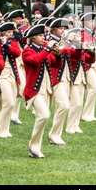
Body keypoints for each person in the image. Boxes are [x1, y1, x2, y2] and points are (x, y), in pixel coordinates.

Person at [22, 24, 59, 158]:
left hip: (47, 88)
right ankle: (33, 145)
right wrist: (48, 48)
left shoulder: (45, 50)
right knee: (44, 115)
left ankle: (35, 148)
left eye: (43, 35)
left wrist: (58, 53)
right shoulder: (27, 51)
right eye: (40, 36)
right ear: (33, 38)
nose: (44, 38)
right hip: (34, 90)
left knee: (42, 117)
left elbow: (55, 64)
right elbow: (36, 60)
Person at [46, 18, 74, 145]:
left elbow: (74, 56)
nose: (63, 31)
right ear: (53, 30)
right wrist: (68, 42)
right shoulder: (49, 41)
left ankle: (56, 134)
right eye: (61, 29)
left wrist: (78, 46)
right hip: (55, 77)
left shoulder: (62, 41)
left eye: (64, 29)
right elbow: (59, 53)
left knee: (62, 106)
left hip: (65, 76)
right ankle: (54, 134)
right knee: (64, 105)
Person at [66, 28, 96, 134]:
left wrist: (91, 52)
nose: (78, 39)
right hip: (74, 78)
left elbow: (91, 60)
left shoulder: (79, 49)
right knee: (76, 104)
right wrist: (80, 47)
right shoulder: (70, 48)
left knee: (80, 104)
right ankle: (69, 126)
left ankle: (76, 124)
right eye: (75, 37)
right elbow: (75, 56)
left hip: (82, 77)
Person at [0, 22, 22, 138]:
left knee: (13, 101)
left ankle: (6, 129)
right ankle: (0, 130)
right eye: (8, 32)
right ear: (2, 33)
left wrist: (7, 45)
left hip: (13, 74)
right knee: (8, 102)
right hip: (2, 74)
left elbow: (17, 53)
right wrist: (3, 44)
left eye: (11, 32)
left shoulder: (13, 43)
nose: (11, 34)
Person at [3, 9, 26, 126]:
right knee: (19, 86)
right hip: (14, 59)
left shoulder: (20, 31)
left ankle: (14, 115)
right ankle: (11, 114)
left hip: (22, 58)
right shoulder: (10, 32)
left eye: (20, 18)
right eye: (17, 19)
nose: (20, 20)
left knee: (21, 89)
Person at [80, 12, 96, 122]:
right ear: (84, 23)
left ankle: (90, 113)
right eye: (90, 21)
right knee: (95, 87)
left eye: (94, 21)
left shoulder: (93, 33)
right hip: (88, 63)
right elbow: (89, 46)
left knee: (94, 88)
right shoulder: (83, 33)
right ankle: (85, 114)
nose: (93, 23)